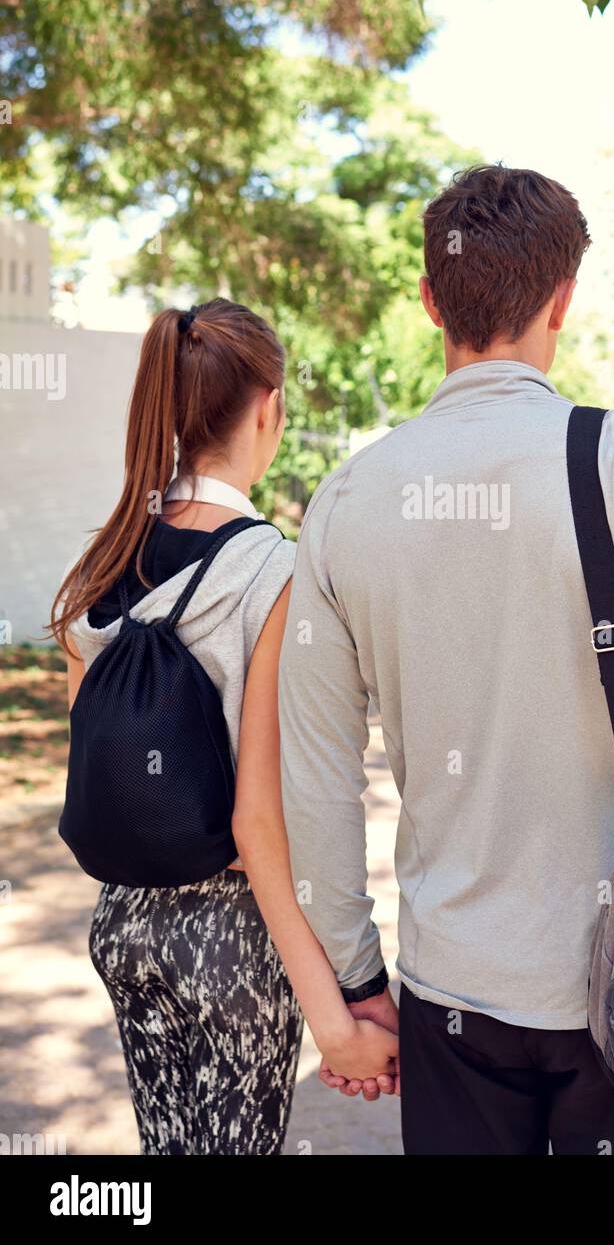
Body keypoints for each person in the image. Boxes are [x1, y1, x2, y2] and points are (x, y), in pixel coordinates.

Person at [278, 165, 614, 1155]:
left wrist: (356, 977)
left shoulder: (346, 500)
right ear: (565, 299)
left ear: (431, 301)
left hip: (453, 987)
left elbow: (316, 779)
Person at [51, 297, 397, 1156]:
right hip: (228, 944)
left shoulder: (101, 561)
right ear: (270, 407)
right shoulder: (272, 571)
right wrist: (337, 1018)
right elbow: (258, 819)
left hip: (123, 925)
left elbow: (97, 762)